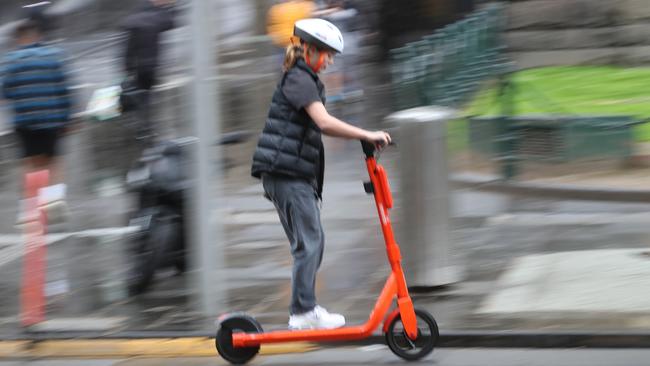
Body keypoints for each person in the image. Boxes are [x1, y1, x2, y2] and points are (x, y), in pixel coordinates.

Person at [251, 18, 391, 330]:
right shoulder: (299, 78)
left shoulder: (304, 78)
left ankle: (305, 309)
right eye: (326, 54)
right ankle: (302, 312)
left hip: (287, 172)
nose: (329, 61)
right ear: (310, 50)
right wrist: (366, 134)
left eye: (332, 55)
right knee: (310, 243)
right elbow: (324, 122)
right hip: (285, 173)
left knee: (310, 242)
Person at [1, 20, 72, 223]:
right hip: (53, 120)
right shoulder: (54, 56)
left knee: (30, 165)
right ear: (37, 36)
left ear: (19, 39)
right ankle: (55, 203)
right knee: (54, 162)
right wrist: (68, 118)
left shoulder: (12, 61)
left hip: (25, 121)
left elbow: (4, 92)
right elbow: (64, 90)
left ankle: (30, 210)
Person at [121, 0, 175, 140]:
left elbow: (128, 50)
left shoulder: (133, 22)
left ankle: (141, 126)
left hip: (138, 66)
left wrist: (127, 69)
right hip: (152, 66)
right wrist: (170, 7)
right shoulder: (155, 21)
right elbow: (170, 23)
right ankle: (147, 126)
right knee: (148, 95)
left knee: (138, 95)